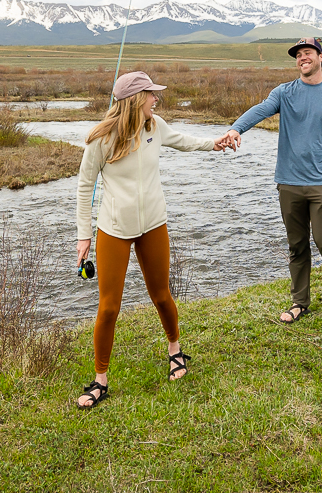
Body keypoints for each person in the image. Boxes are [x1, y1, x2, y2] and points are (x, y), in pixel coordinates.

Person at [74, 71, 232, 408]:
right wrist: (83, 235)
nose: (156, 99)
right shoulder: (101, 139)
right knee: (108, 308)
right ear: (134, 100)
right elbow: (84, 186)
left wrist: (215, 143)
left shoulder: (154, 126)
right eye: (151, 94)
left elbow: (185, 141)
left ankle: (175, 350)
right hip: (114, 230)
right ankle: (100, 380)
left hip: (154, 226)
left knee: (162, 295)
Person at [222, 38, 322, 324]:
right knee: (297, 246)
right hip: (288, 182)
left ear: (321, 58)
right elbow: (261, 109)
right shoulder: (284, 93)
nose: (302, 58)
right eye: (298, 55)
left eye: (308, 53)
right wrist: (237, 129)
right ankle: (300, 301)